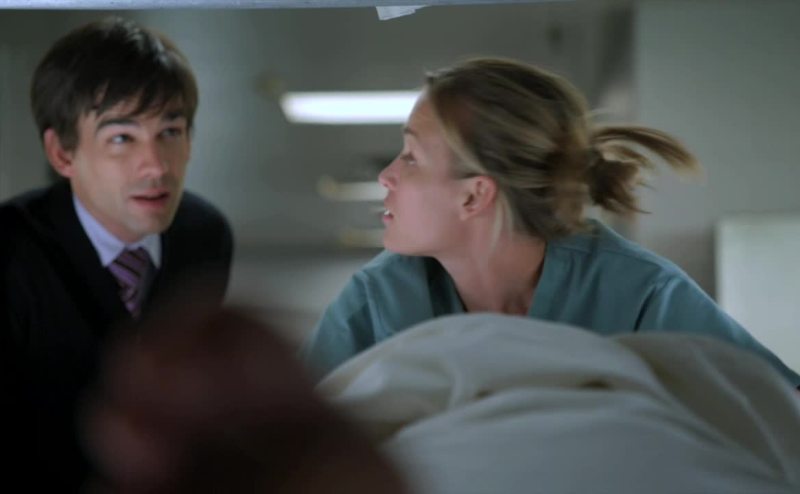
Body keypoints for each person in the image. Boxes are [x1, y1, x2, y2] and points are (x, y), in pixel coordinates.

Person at [303, 57, 800, 386]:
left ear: (475, 195)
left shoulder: (639, 294)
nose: (387, 176)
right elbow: (290, 444)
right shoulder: (378, 299)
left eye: (411, 157)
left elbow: (780, 409)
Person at [0, 17, 233, 491]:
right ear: (62, 154)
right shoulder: (10, 250)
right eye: (122, 138)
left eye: (171, 131)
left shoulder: (205, 237)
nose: (156, 166)